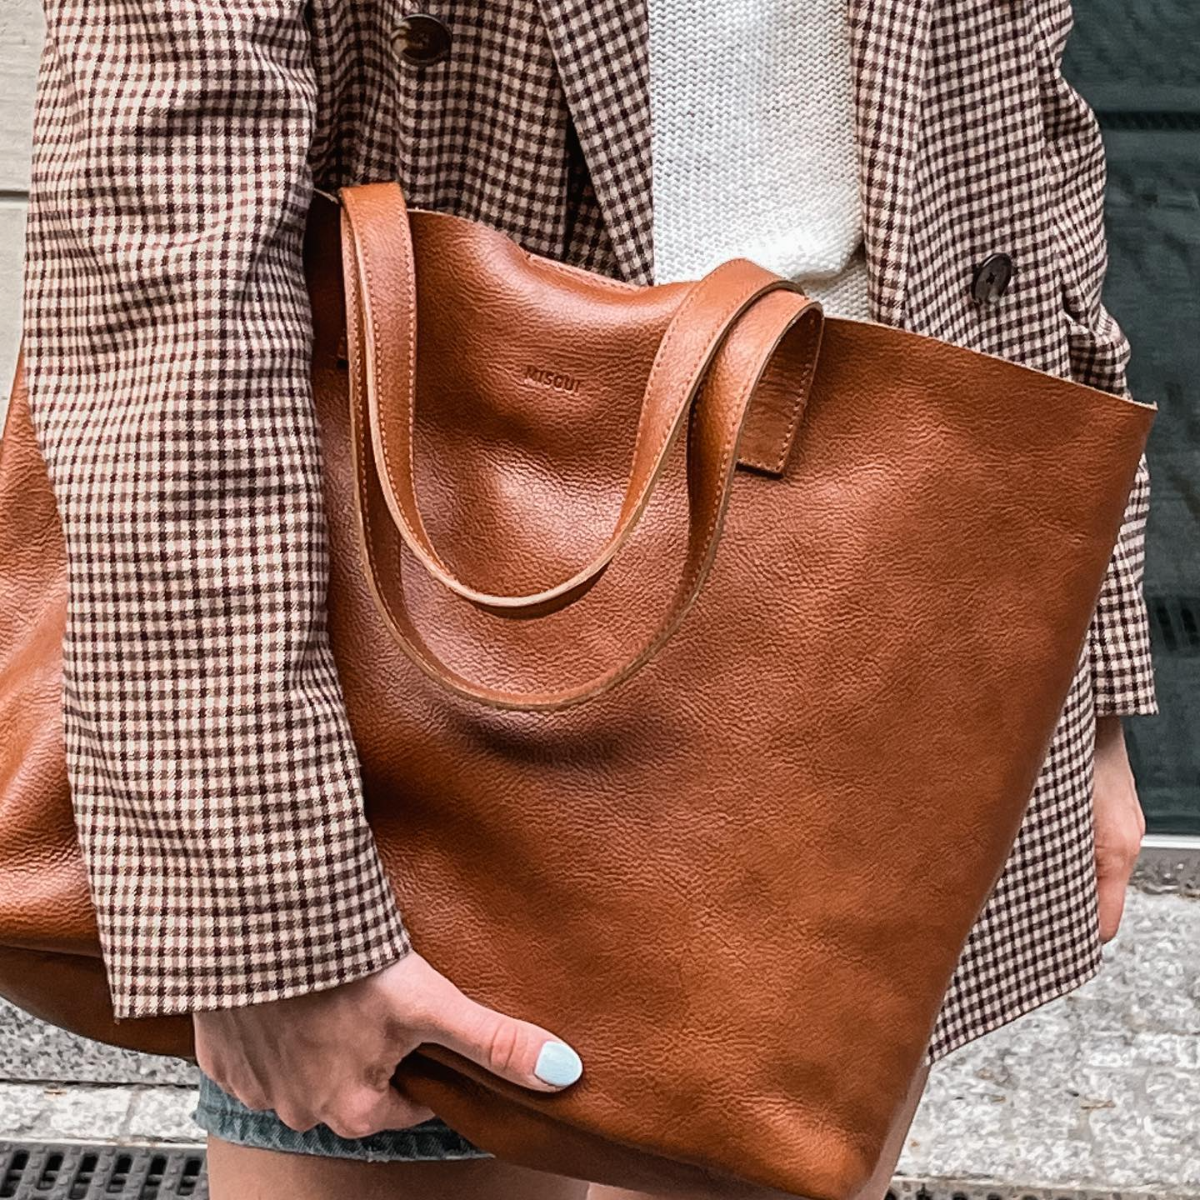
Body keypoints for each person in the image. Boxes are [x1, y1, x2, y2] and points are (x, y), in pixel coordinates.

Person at [21, 0, 1152, 1197]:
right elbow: (156, 245)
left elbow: (1026, 137)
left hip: (874, 599)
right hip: (440, 612)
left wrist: (1079, 677)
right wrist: (263, 901)